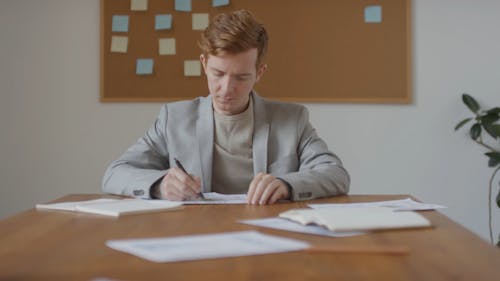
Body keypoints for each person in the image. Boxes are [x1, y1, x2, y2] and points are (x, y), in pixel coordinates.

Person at [102, 10, 349, 205]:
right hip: (195, 235)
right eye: (218, 73)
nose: (226, 88)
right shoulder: (174, 118)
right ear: (204, 64)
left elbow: (336, 175)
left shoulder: (292, 119)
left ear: (259, 72)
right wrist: (159, 185)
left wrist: (287, 184)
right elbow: (115, 173)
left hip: (268, 235)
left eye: (241, 77)